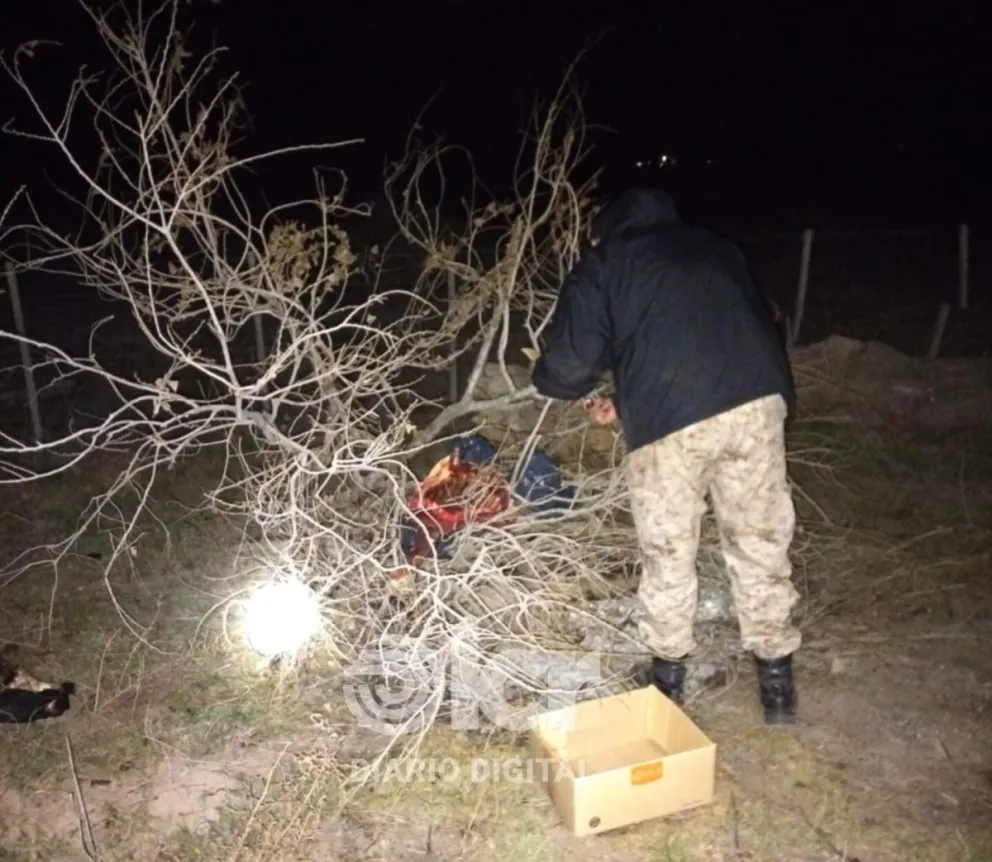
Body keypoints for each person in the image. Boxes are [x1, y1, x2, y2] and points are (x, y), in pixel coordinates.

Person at [530, 186, 801, 724]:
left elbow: (568, 367)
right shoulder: (716, 248)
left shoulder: (606, 262)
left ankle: (668, 677)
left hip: (673, 425)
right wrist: (627, 399)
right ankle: (777, 684)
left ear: (603, 232)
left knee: (669, 547)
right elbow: (696, 339)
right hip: (757, 402)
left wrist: (546, 375)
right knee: (761, 538)